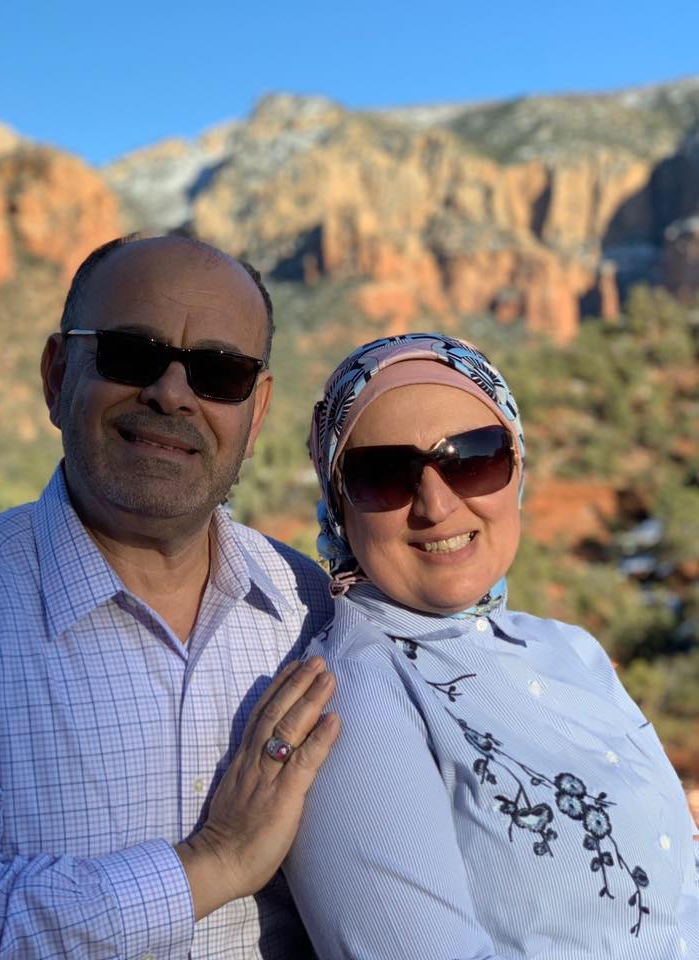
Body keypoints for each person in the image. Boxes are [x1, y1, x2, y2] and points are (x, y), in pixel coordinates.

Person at [0, 234, 340, 959]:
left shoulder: (309, 606)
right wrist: (211, 864)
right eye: (131, 354)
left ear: (257, 410)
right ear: (57, 375)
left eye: (220, 373)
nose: (172, 394)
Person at [285, 333, 699, 959]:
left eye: (473, 459)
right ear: (339, 504)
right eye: (384, 475)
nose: (435, 504)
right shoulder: (358, 702)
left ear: (517, 469)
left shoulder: (569, 649)